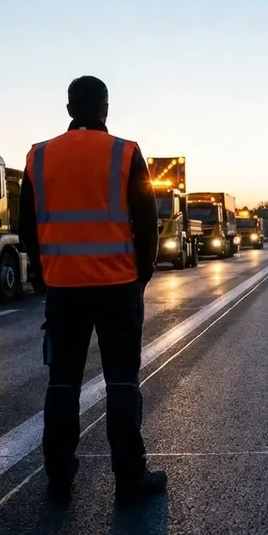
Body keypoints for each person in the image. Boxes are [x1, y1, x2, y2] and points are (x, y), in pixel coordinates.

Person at [19, 75, 165, 503]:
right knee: (122, 383)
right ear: (105, 108)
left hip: (63, 290)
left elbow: (26, 226)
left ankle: (59, 478)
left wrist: (46, 274)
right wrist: (141, 275)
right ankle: (129, 478)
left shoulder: (39, 156)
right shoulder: (125, 152)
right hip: (118, 287)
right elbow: (146, 222)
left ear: (69, 109)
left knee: (62, 384)